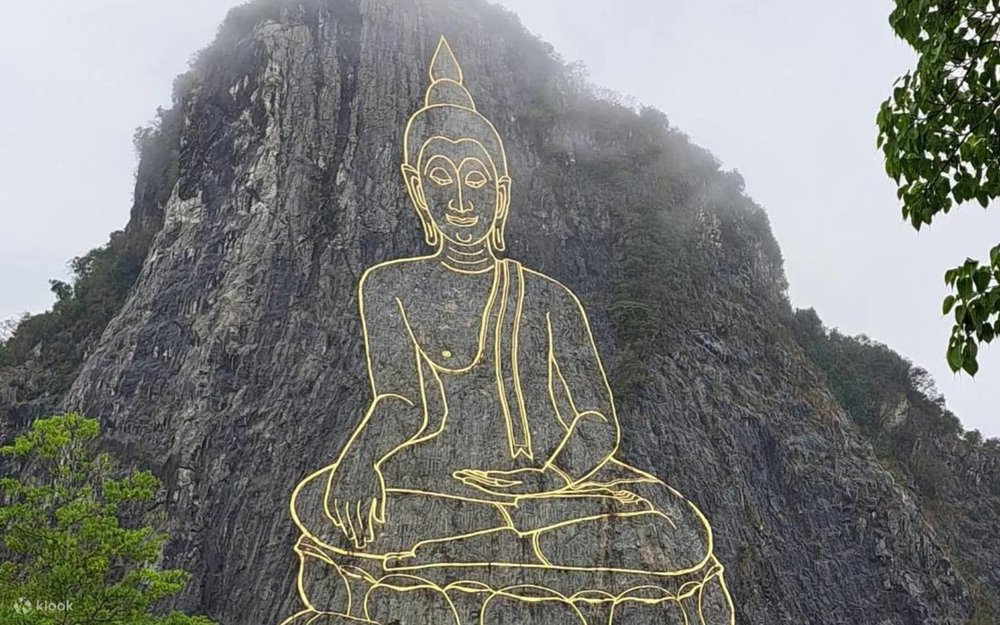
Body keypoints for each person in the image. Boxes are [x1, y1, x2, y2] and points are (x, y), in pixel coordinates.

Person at [281, 37, 734, 625]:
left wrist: (546, 477)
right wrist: (358, 459)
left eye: (476, 179)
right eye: (442, 178)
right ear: (417, 188)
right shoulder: (387, 286)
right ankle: (486, 572)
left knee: (665, 528)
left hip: (548, 493)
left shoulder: (548, 298)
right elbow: (401, 401)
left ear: (501, 193)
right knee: (331, 501)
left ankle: (462, 576)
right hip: (440, 485)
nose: (460, 199)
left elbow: (598, 423)